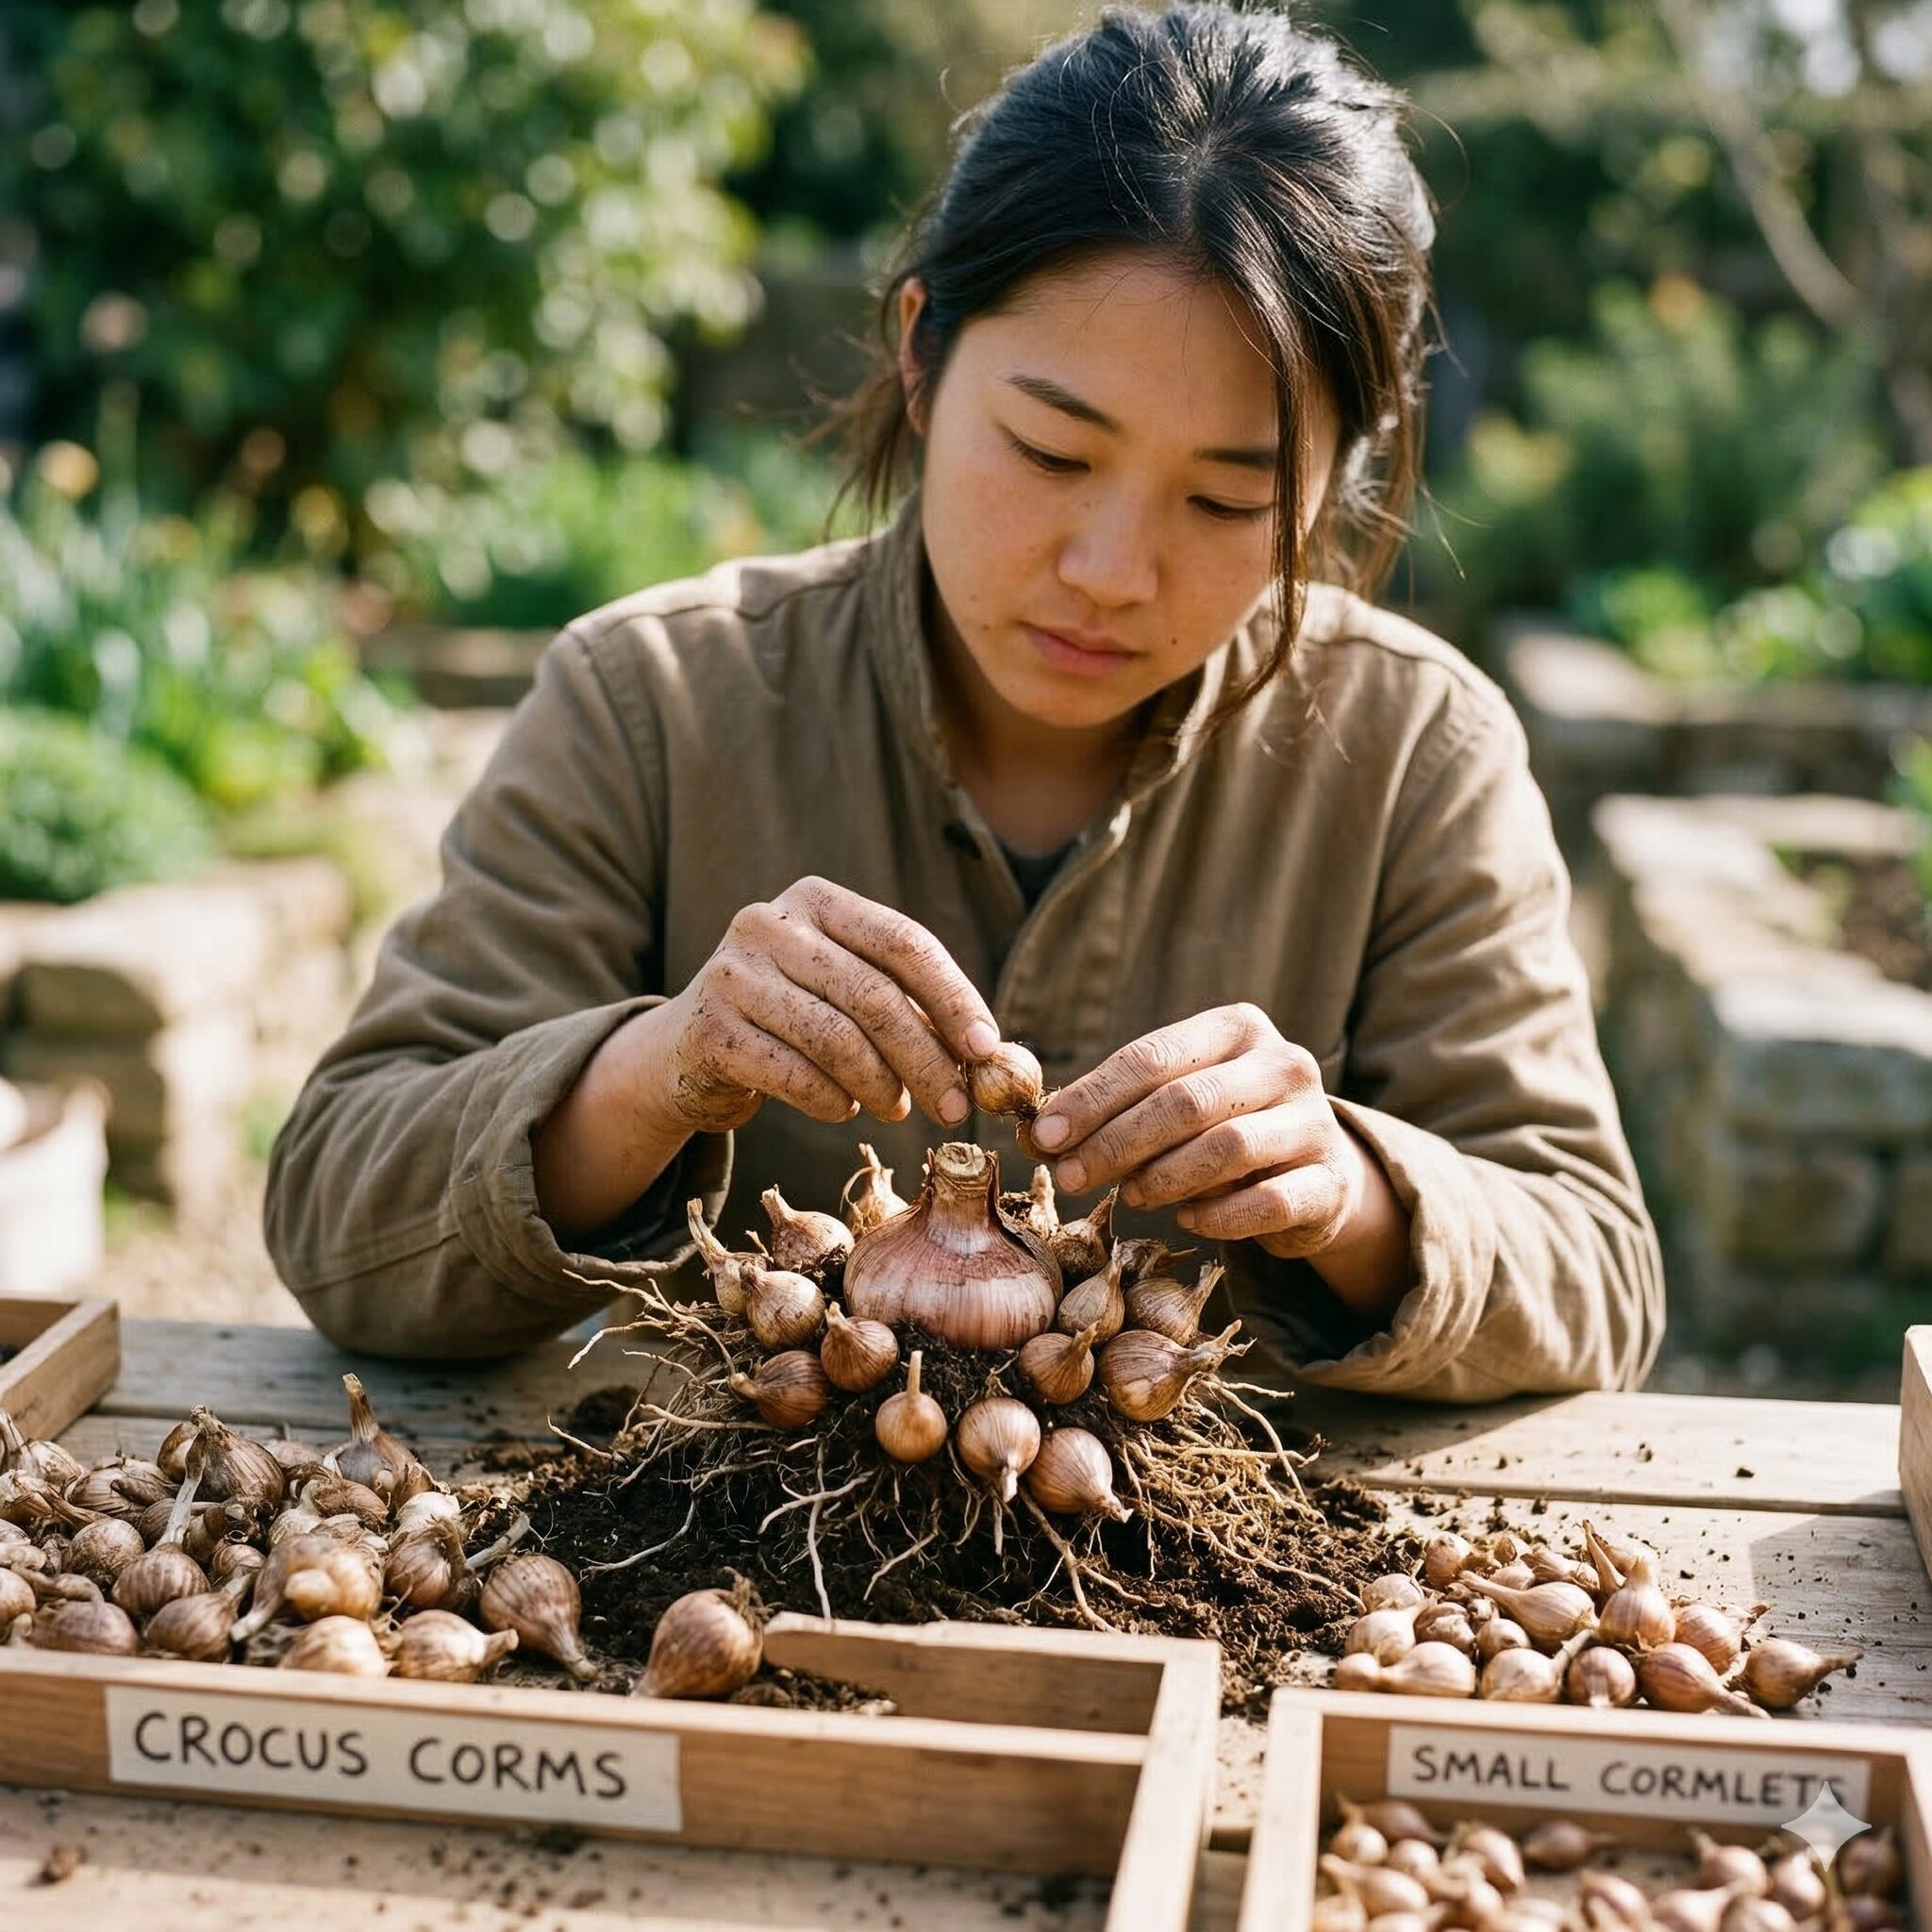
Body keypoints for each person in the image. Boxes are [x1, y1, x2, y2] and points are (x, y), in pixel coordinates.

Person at [265, 4, 1663, 1400]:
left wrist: (1350, 1191)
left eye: (1229, 498)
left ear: (1332, 487)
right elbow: (339, 1210)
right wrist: (656, 1071)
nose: (1112, 572)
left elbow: (1597, 1268)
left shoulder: (1418, 748)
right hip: (717, 1582)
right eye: (1054, 454)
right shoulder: (652, 701)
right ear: (923, 356)